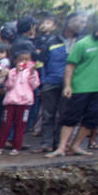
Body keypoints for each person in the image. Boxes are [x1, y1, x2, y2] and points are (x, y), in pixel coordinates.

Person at [47, 18, 98, 157]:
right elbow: (70, 65)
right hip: (80, 86)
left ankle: (75, 146)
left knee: (93, 119)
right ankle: (61, 147)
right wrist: (67, 85)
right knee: (70, 117)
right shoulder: (83, 43)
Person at [0, 50, 40, 155]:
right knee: (5, 125)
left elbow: (35, 85)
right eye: (21, 60)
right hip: (11, 102)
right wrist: (16, 74)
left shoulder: (32, 72)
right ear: (15, 61)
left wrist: (32, 73)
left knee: (20, 126)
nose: (23, 62)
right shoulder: (12, 71)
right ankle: (0, 146)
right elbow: (9, 86)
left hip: (24, 103)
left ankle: (16, 147)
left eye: (26, 59)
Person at [35, 18, 68, 152]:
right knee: (48, 114)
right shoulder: (49, 42)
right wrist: (42, 82)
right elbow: (40, 62)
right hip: (50, 82)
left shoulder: (73, 43)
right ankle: (47, 144)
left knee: (63, 114)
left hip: (67, 83)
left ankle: (59, 144)